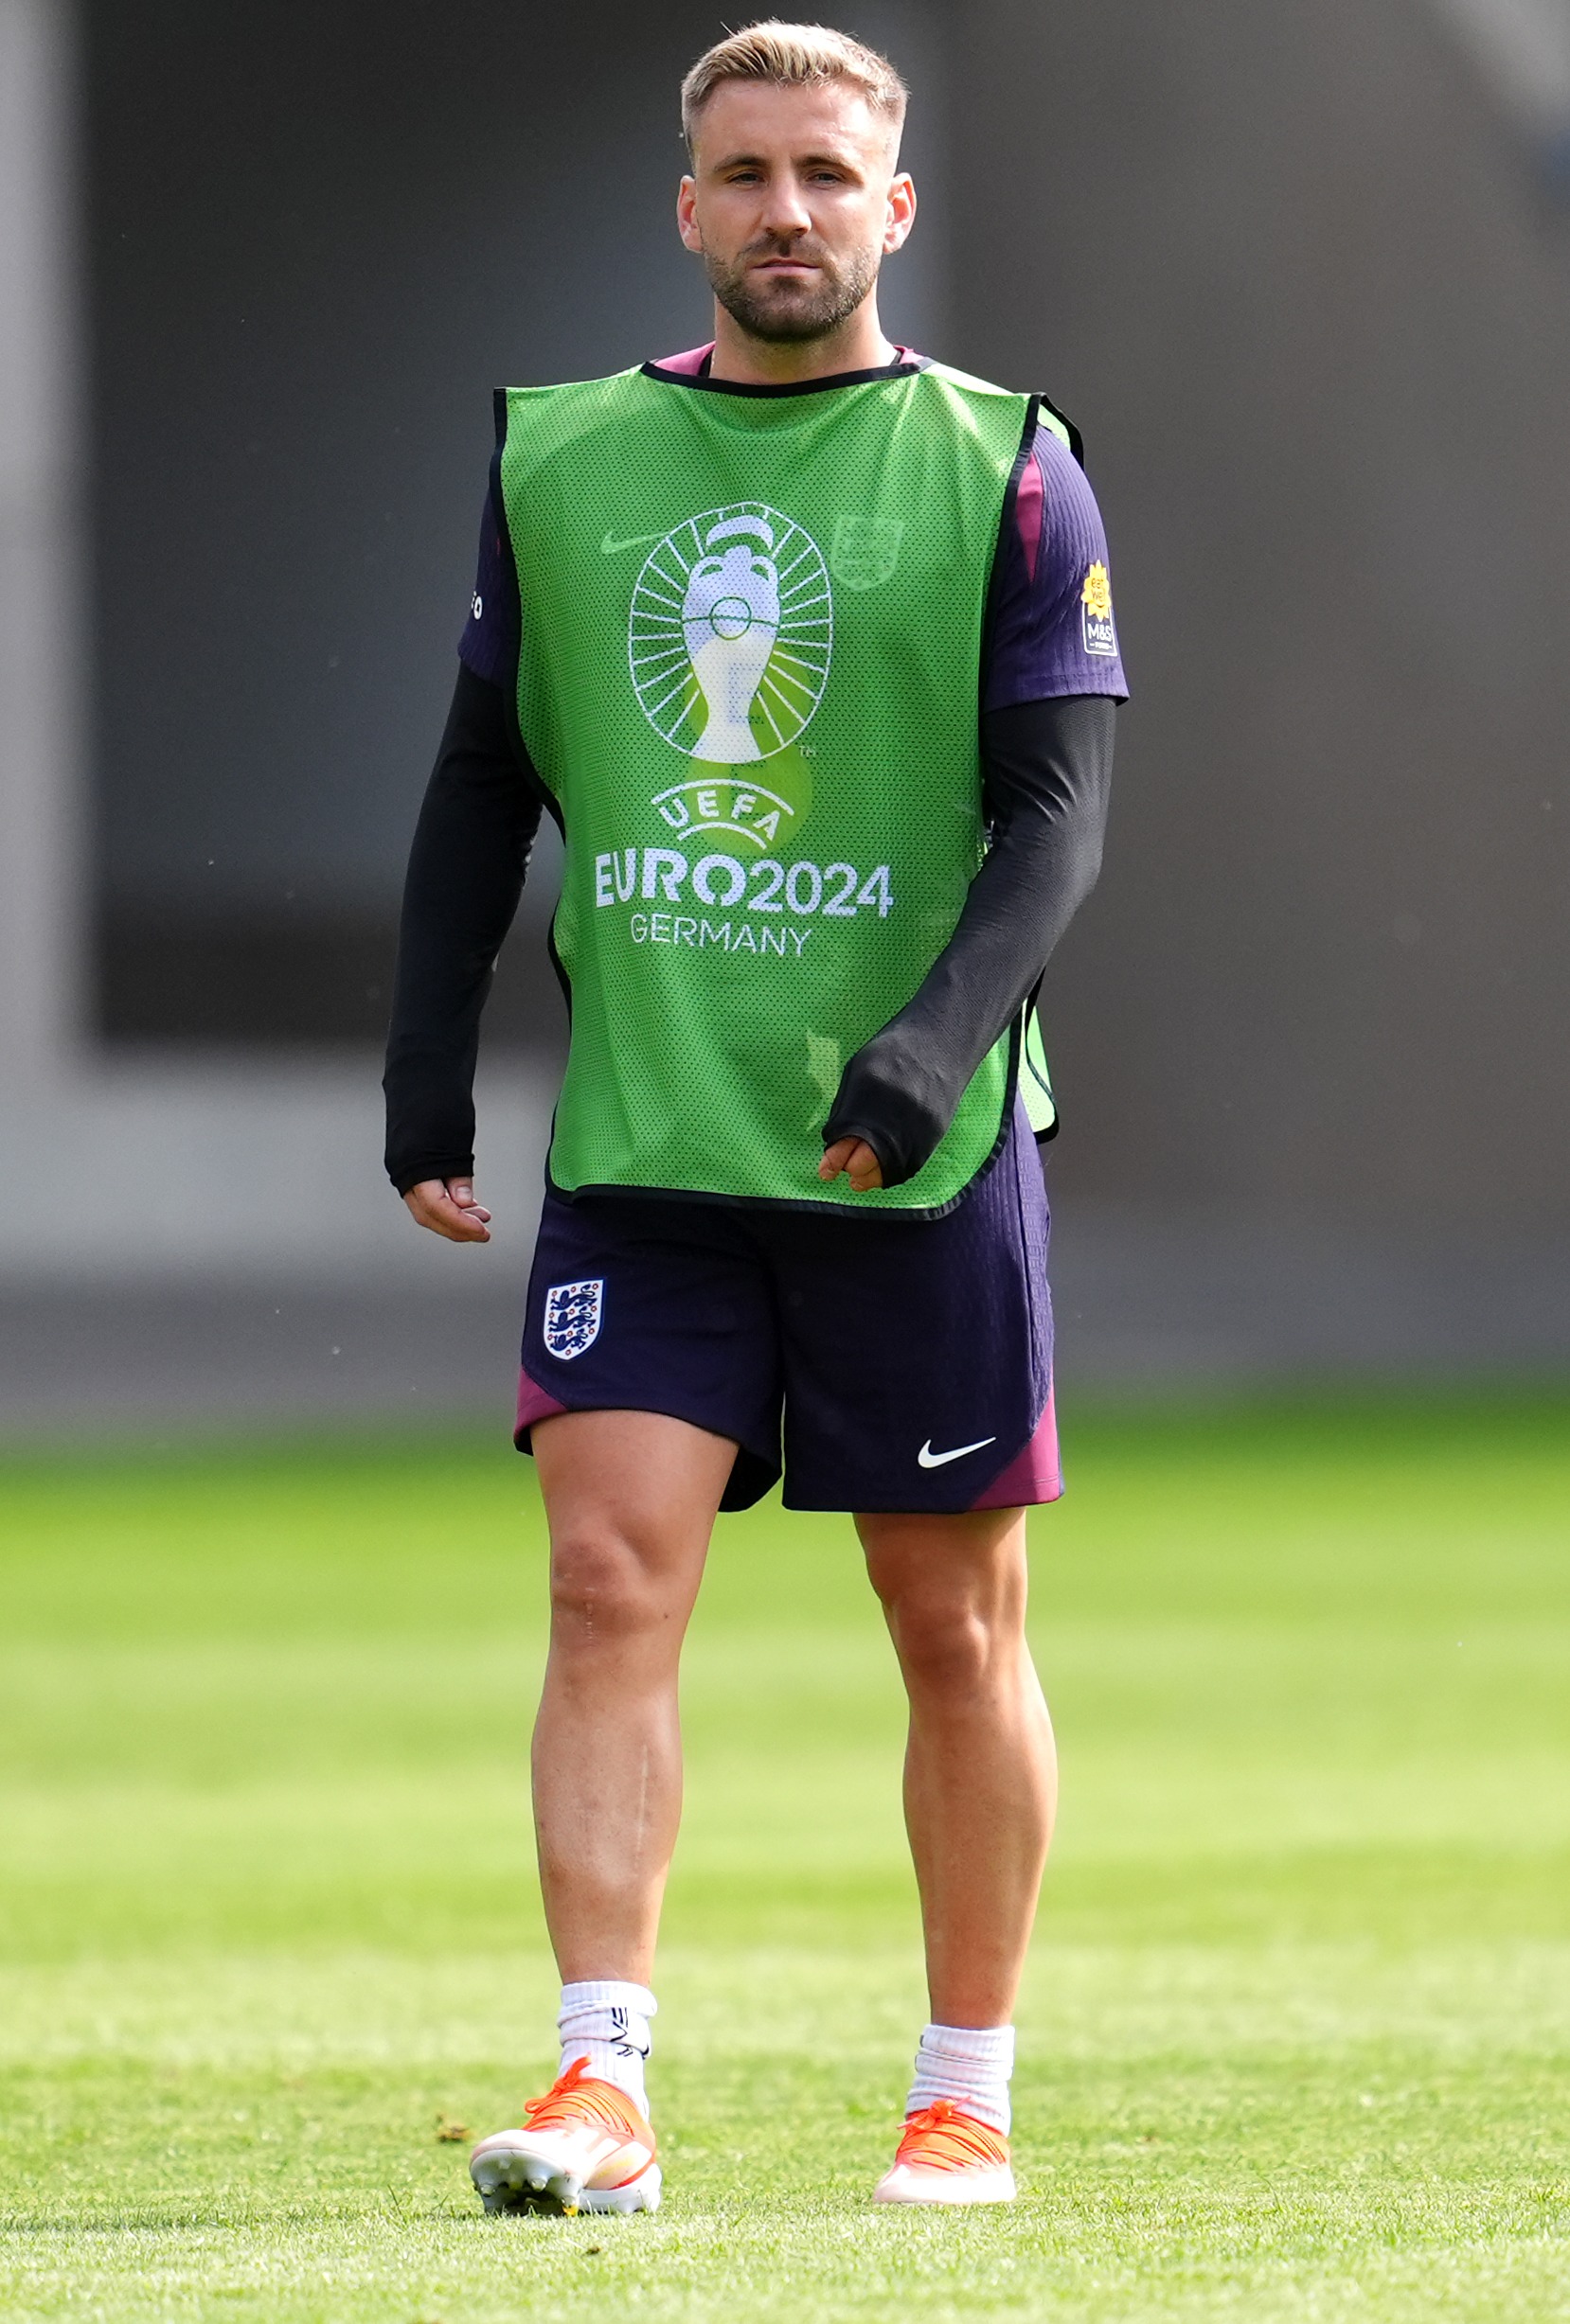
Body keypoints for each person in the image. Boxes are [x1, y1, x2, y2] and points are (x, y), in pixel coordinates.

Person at [383, 18, 1126, 2216]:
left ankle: (961, 2086)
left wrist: (932, 1046)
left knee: (950, 1626)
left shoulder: (1006, 464)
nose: (785, 212)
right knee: (609, 1584)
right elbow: (475, 774)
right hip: (651, 1138)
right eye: (746, 175)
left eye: (826, 175)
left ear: (889, 209)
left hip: (918, 1149)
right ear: (685, 207)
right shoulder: (561, 454)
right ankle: (600, 2084)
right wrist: (427, 1048)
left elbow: (1061, 815)